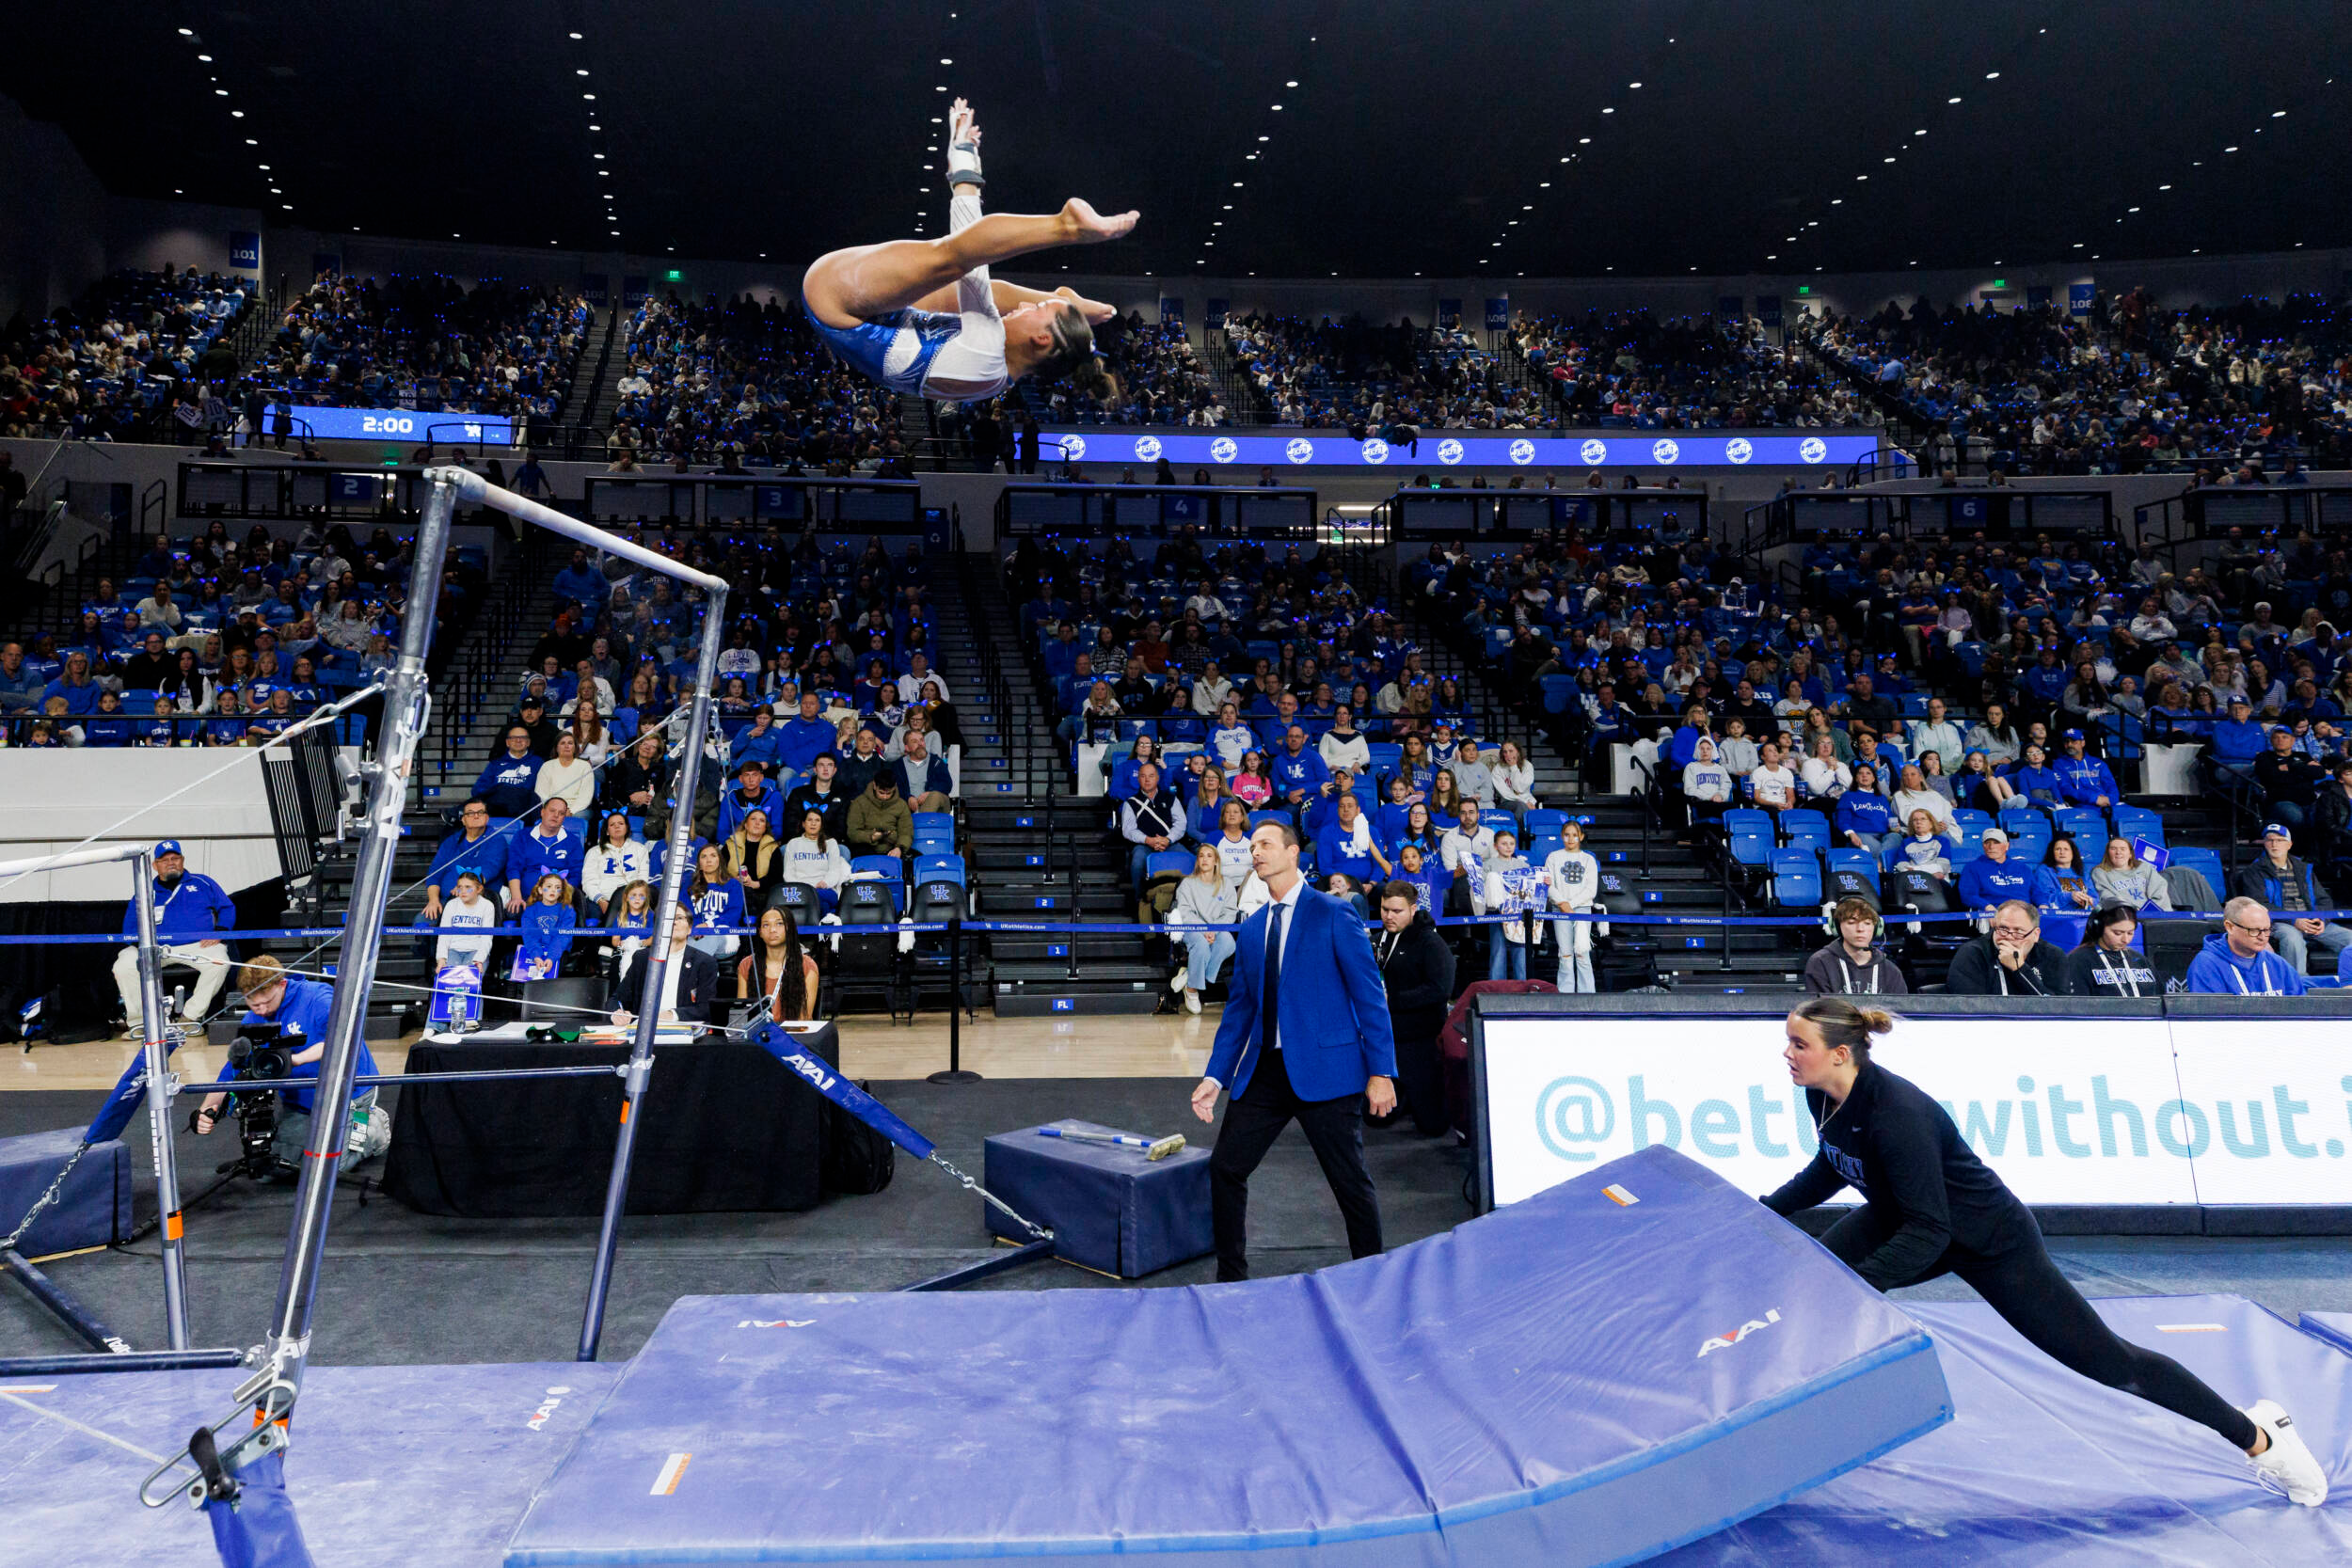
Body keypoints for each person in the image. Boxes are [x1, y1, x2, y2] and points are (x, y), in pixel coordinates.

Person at [1763, 997, 2325, 1506]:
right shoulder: (1824, 1095)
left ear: (1839, 1054)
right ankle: (1780, 1432)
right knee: (1811, 1280)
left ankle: (2261, 1437)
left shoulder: (1897, 1115)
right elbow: (1832, 1166)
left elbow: (1929, 1231)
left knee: (2112, 1364)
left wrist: (1862, 1282)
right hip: (1905, 1218)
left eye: (1798, 1044)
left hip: (1989, 1243)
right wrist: (1765, 1209)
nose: (1787, 1053)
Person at [800, 97, 1132, 406]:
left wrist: (963, 163)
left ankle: (1066, 227)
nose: (1027, 306)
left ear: (1042, 339)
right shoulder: (1000, 371)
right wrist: (962, 161)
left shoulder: (985, 357)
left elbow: (965, 254)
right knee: (975, 285)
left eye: (1039, 307)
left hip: (835, 298)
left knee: (955, 264)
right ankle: (1067, 302)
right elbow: (972, 257)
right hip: (887, 315)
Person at [1190, 822, 1396, 1282]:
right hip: (1266, 1070)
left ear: (1292, 853)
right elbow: (1240, 1009)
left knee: (1349, 1183)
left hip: (1329, 1072)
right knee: (1225, 1169)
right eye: (1253, 846)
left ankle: (1372, 1277)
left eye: (1265, 844)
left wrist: (1381, 1071)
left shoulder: (1334, 913)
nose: (1256, 852)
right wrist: (1215, 1076)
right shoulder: (1255, 925)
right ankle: (1231, 1279)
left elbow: (1370, 996)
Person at [192, 956, 390, 1170]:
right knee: (271, 1165)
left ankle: (373, 1129)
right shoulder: (253, 1019)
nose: (260, 1010)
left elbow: (344, 1038)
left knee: (330, 1169)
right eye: (253, 1003)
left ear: (282, 984)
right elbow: (233, 1069)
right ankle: (318, 1133)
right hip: (300, 1102)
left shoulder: (318, 997)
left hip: (349, 1096)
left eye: (267, 1002)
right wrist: (206, 1109)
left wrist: (295, 1060)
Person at [113, 840, 237, 1037]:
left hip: (198, 946)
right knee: (124, 964)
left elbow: (227, 908)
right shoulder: (144, 890)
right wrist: (144, 945)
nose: (171, 863)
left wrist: (219, 932)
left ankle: (189, 1018)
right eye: (164, 860)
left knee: (220, 960)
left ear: (182, 860)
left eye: (175, 858)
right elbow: (129, 926)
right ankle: (141, 1024)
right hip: (156, 948)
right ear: (155, 865)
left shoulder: (203, 882)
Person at [1375, 881, 1455, 1135]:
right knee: (1375, 1120)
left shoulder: (1430, 943)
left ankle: (1416, 1097)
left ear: (1413, 909)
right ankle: (1404, 1098)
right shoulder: (1378, 940)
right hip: (1385, 1039)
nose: (1389, 916)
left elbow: (1440, 989)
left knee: (1434, 1127)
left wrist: (1393, 1000)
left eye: (1396, 911)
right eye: (1385, 909)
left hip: (1421, 1039)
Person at [2232, 823, 2349, 976]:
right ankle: (2297, 986)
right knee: (2292, 939)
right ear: (2264, 844)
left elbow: (2324, 900)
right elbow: (2259, 905)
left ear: (2289, 844)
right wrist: (2294, 921)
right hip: (2279, 922)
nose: (2274, 844)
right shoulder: (2254, 871)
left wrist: (2321, 920)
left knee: (2350, 938)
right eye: (2270, 840)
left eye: (2280, 840)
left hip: (2311, 921)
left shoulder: (2303, 868)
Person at [611, 904, 722, 1025]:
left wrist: (671, 1015)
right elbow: (616, 999)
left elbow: (706, 1008)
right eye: (667, 918)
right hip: (644, 1031)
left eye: (679, 918)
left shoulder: (704, 962)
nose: (673, 922)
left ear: (689, 928)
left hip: (683, 1031)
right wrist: (616, 1014)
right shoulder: (642, 958)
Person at [1945, 899, 2073, 996]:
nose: (2009, 937)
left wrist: (2020, 969)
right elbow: (1969, 1009)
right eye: (2003, 929)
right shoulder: (1972, 954)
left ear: (2035, 935)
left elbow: (2057, 1008)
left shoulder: (2053, 955)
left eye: (2018, 931)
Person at [1168, 843, 1239, 1015]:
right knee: (1200, 946)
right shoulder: (1187, 884)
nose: (1205, 859)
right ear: (1197, 860)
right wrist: (1203, 930)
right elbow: (1184, 911)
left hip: (1217, 928)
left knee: (1229, 943)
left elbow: (1230, 911)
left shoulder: (1226, 883)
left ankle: (1189, 977)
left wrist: (1213, 930)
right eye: (1201, 855)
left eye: (1209, 856)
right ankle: (1192, 990)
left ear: (1216, 861)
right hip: (1192, 928)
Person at [2186, 897, 2310, 996]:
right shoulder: (2206, 965)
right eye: (2254, 930)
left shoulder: (2278, 964)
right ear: (2230, 927)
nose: (2263, 937)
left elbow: (2299, 1008)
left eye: (2267, 930)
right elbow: (2210, 1019)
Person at [1542, 821, 1605, 994]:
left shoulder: (1588, 859)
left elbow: (1591, 890)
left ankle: (1587, 994)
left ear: (1581, 837)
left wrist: (1571, 904)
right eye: (1567, 835)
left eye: (1574, 835)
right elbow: (1549, 884)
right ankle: (1565, 994)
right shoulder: (1553, 857)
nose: (1571, 839)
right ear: (1562, 836)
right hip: (1559, 909)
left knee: (1582, 953)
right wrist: (1562, 903)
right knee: (1565, 954)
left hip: (1582, 909)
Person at [1804, 896, 1908, 995]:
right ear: (1837, 927)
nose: (1860, 929)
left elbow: (1900, 1011)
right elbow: (1820, 1011)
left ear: (1876, 928)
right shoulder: (1820, 963)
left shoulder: (1890, 970)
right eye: (1851, 922)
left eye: (1867, 923)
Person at [739, 905, 822, 1023]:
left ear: (789, 928)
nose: (772, 930)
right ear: (760, 932)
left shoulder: (807, 966)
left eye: (779, 924)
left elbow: (804, 1018)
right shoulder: (746, 965)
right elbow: (742, 1015)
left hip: (793, 1036)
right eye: (766, 925)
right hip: (758, 1035)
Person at [2066, 903, 2159, 997]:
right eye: (2118, 933)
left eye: (2130, 933)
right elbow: (2078, 1005)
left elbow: (2161, 997)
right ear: (2099, 929)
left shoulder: (2139, 959)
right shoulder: (2079, 960)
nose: (2125, 940)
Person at [434, 870, 499, 974]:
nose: (463, 891)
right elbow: (444, 934)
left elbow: (487, 937)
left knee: (468, 982)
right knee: (451, 982)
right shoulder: (451, 904)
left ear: (479, 889)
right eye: (460, 887)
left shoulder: (487, 906)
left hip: (476, 951)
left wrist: (480, 959)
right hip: (453, 950)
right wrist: (441, 958)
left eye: (468, 887)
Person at [2091, 835, 2172, 912]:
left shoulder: (2145, 867)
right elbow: (2108, 897)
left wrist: (2150, 911)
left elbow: (2159, 890)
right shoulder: (2100, 872)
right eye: (2113, 849)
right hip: (2123, 915)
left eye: (2123, 849)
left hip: (2152, 913)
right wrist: (2130, 911)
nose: (2118, 852)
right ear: (2108, 853)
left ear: (2130, 854)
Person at [846, 771, 914, 858]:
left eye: (889, 793)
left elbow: (906, 832)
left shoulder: (901, 805)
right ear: (874, 786)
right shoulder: (859, 803)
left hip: (893, 847)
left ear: (895, 787)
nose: (885, 797)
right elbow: (852, 833)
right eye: (881, 793)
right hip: (866, 847)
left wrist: (899, 848)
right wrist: (871, 837)